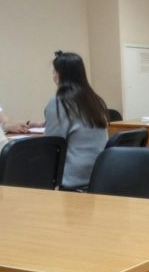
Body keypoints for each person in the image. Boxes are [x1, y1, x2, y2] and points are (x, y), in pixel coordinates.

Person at [45, 51, 108, 191]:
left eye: (54, 72)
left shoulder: (59, 102)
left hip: (71, 179)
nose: (53, 75)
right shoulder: (93, 99)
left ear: (59, 74)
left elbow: (51, 146)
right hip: (97, 174)